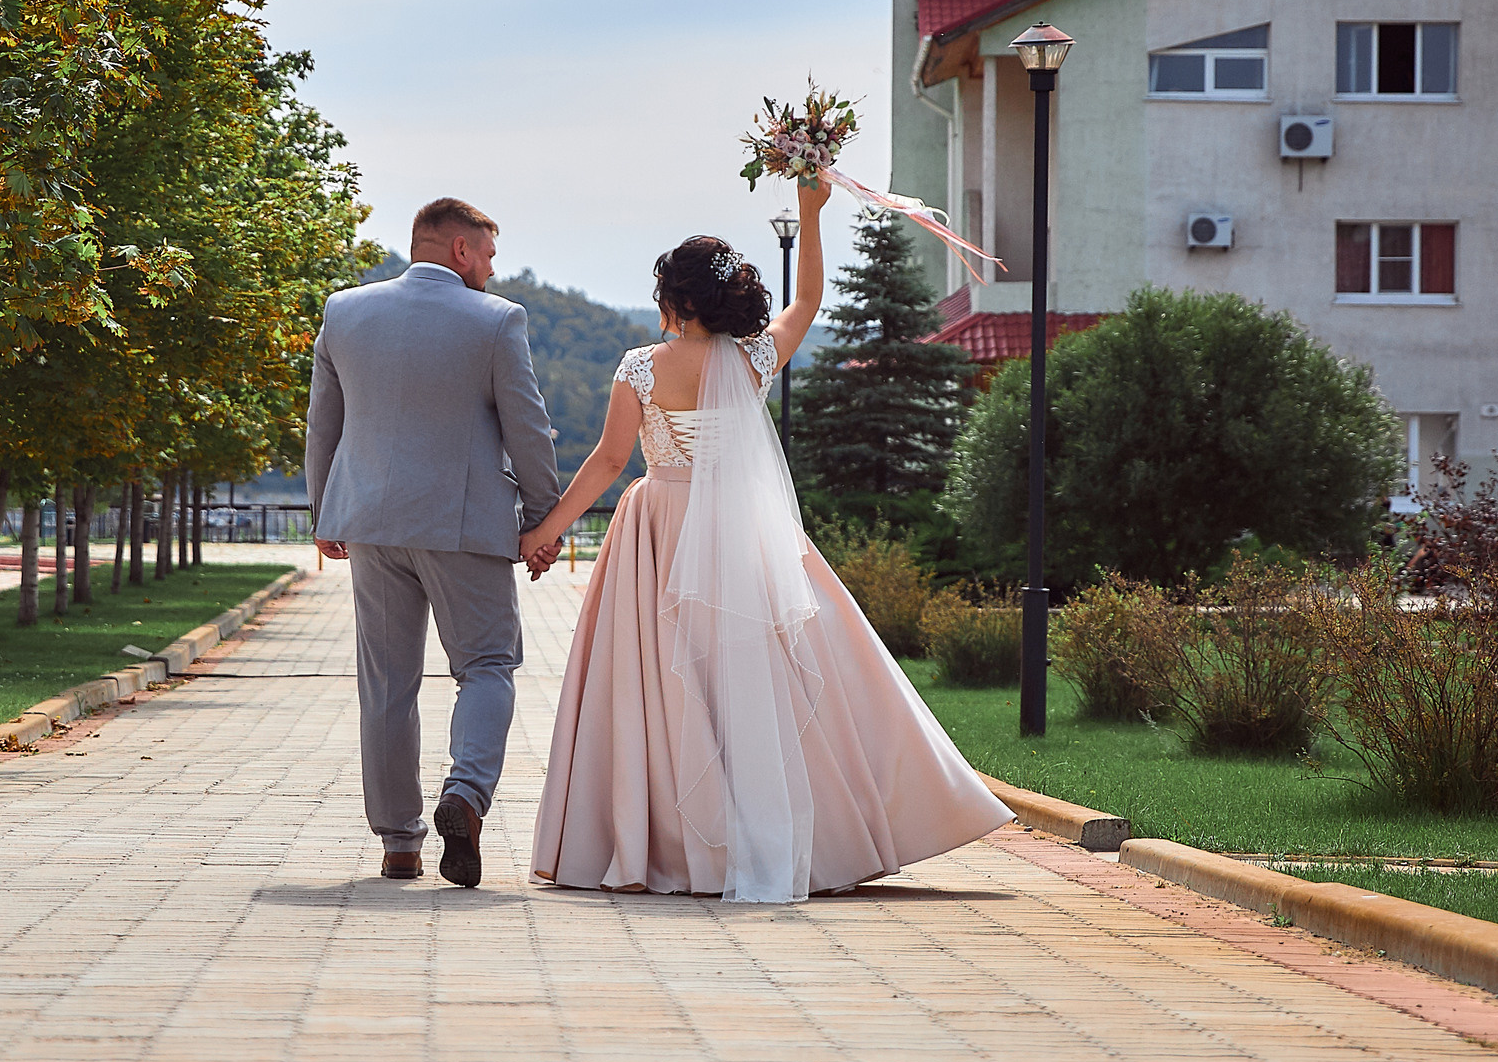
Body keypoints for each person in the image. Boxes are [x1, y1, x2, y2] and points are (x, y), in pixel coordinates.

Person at [519, 178, 1010, 902]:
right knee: (764, 683)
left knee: (659, 688)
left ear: (676, 301)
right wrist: (812, 214)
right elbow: (807, 300)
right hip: (743, 533)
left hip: (658, 531)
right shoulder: (752, 361)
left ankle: (663, 843)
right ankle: (805, 832)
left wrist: (543, 534)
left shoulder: (641, 368)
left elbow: (607, 462)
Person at [305, 197, 564, 887]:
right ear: (459, 250)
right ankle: (466, 794)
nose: (490, 266)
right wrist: (542, 520)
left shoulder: (343, 311)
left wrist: (324, 510)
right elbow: (528, 431)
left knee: (387, 683)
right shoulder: (497, 320)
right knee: (486, 664)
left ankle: (398, 841)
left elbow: (322, 426)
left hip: (370, 525)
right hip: (464, 525)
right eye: (487, 253)